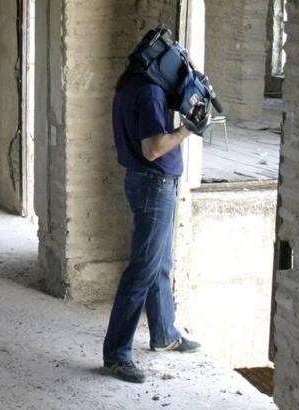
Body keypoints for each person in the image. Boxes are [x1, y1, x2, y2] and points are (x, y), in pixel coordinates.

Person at [101, 55, 206, 383]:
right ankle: (117, 354)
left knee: (159, 263)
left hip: (147, 182)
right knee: (142, 272)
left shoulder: (133, 84)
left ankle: (164, 333)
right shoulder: (149, 93)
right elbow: (153, 148)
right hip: (154, 184)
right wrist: (188, 128)